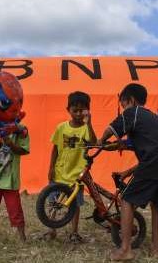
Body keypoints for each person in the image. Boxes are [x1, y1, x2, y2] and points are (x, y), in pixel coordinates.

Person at [97, 83, 158, 260]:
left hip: (154, 160)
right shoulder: (156, 118)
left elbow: (112, 128)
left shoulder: (132, 112)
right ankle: (155, 249)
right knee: (157, 205)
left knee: (126, 200)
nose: (123, 109)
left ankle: (125, 249)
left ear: (131, 101)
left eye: (123, 105)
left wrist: (100, 140)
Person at [46, 91, 96, 243]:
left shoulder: (86, 129)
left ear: (88, 110)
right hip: (60, 173)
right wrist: (51, 168)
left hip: (77, 175)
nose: (79, 114)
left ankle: (74, 233)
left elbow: (93, 142)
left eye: (82, 110)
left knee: (74, 205)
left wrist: (90, 123)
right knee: (53, 202)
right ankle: (51, 230)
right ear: (68, 110)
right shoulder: (61, 127)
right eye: (75, 110)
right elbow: (55, 148)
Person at [0, 121, 30, 242]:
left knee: (15, 208)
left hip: (11, 179)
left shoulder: (21, 130)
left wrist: (11, 144)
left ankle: (22, 237)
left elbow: (24, 150)